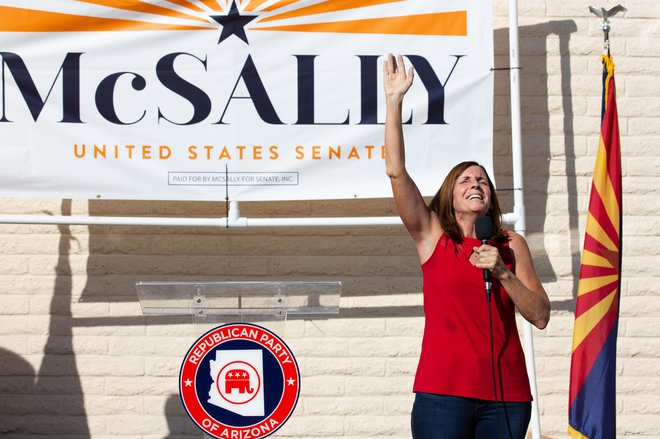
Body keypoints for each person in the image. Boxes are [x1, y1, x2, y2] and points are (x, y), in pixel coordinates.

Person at [383, 53, 550, 439]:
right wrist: (394, 102)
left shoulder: (511, 245)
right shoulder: (432, 237)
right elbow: (395, 170)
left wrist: (503, 272)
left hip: (506, 397)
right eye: (465, 180)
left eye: (483, 181)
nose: (476, 184)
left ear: (491, 196)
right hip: (443, 396)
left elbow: (540, 315)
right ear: (450, 195)